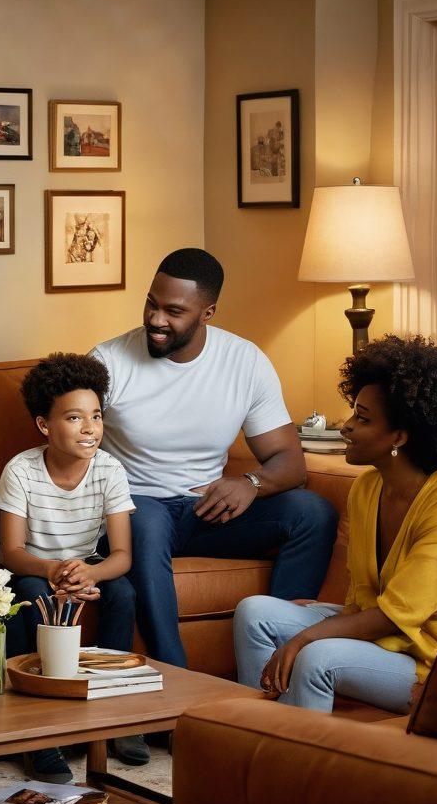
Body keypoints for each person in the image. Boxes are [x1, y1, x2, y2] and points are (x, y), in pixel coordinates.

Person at [90, 248, 338, 680]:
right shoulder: (108, 362)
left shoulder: (245, 361)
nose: (156, 319)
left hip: (206, 511)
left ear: (208, 312)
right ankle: (176, 678)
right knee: (143, 520)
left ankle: (280, 661)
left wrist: (250, 483)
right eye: (151, 303)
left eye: (174, 311)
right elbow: (69, 451)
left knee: (313, 512)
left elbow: (291, 464)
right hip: (135, 506)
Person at [234, 335, 437, 713]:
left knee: (318, 656)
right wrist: (319, 613)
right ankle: (259, 730)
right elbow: (362, 597)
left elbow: (393, 617)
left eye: (363, 418)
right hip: (375, 632)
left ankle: (296, 748)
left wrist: (304, 637)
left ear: (399, 436)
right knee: (254, 613)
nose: (346, 427)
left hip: (423, 661)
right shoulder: (367, 488)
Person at [0, 353, 146, 775]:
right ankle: (40, 732)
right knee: (31, 597)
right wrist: (51, 571)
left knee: (123, 593)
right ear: (45, 425)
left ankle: (115, 713)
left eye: (96, 416)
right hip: (33, 568)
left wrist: (91, 573)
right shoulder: (21, 470)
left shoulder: (110, 470)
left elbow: (122, 556)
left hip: (86, 565)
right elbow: (11, 552)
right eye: (75, 418)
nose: (89, 428)